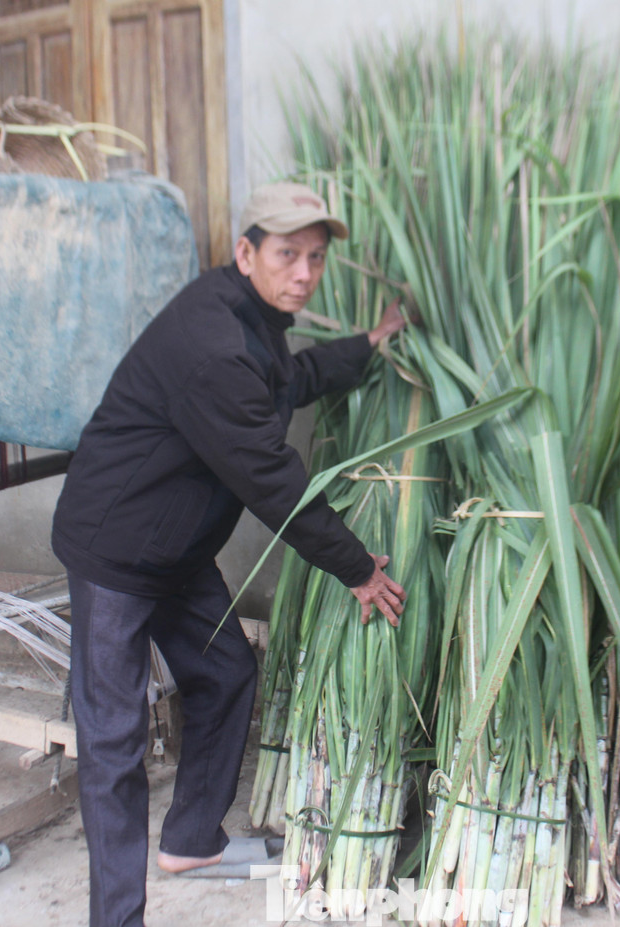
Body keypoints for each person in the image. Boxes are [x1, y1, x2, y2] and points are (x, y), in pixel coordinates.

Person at [50, 181, 407, 927]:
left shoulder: (253, 319)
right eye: (287, 255)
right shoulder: (211, 344)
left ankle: (190, 841)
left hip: (174, 550)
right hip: (116, 551)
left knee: (225, 670)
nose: (304, 273)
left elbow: (291, 381)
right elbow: (272, 479)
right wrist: (356, 566)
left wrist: (368, 346)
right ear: (246, 253)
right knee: (115, 742)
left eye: (315, 258)